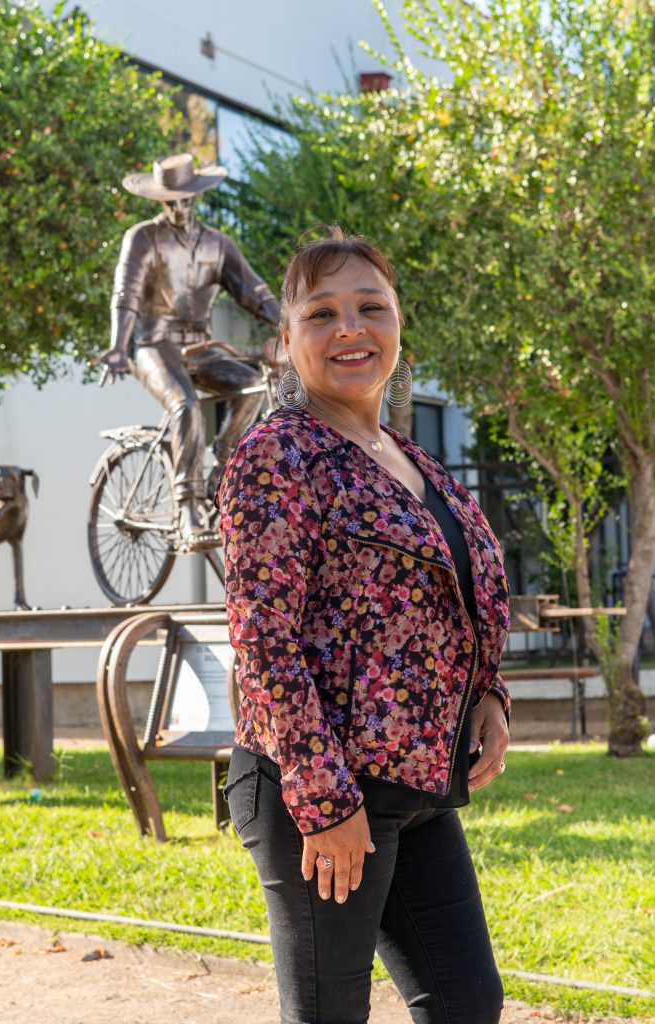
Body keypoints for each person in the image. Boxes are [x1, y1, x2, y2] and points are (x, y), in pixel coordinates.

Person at [218, 228, 511, 1024]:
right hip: (316, 788)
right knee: (329, 1013)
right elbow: (262, 642)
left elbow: (456, 596)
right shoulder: (278, 456)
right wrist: (324, 801)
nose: (349, 328)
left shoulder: (413, 460)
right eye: (321, 314)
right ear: (286, 342)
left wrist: (488, 692)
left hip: (416, 784)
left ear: (397, 324)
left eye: (369, 307)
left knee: (465, 1002)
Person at [98, 153, 280, 547]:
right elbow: (126, 295)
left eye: (184, 199)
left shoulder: (218, 244)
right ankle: (188, 507)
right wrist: (118, 346)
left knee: (251, 387)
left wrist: (290, 326)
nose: (179, 207)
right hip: (153, 345)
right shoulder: (143, 238)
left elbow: (253, 291)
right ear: (160, 201)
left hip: (199, 346)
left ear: (196, 196)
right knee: (185, 406)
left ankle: (219, 471)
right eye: (170, 201)